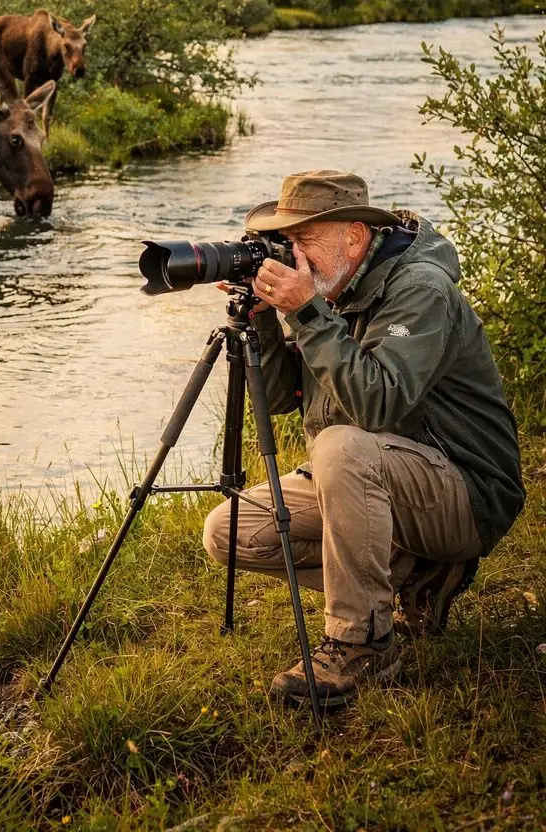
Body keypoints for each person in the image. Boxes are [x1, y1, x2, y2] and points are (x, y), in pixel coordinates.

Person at [202, 170, 525, 709]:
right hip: (381, 473)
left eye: (303, 239)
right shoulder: (337, 285)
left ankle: (364, 643)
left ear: (354, 236)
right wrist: (263, 321)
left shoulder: (420, 289)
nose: (290, 253)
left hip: (466, 487)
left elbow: (379, 404)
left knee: (339, 447)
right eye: (285, 240)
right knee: (231, 531)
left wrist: (306, 311)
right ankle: (420, 572)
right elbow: (282, 399)